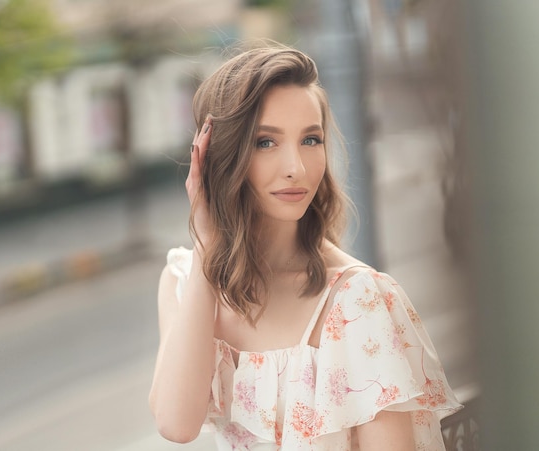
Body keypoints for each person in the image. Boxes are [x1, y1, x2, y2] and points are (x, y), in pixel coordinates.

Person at [149, 44, 461, 450]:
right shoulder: (183, 280)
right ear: (218, 158)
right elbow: (176, 424)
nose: (296, 166)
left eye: (310, 140)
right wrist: (208, 248)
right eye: (266, 142)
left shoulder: (356, 300)